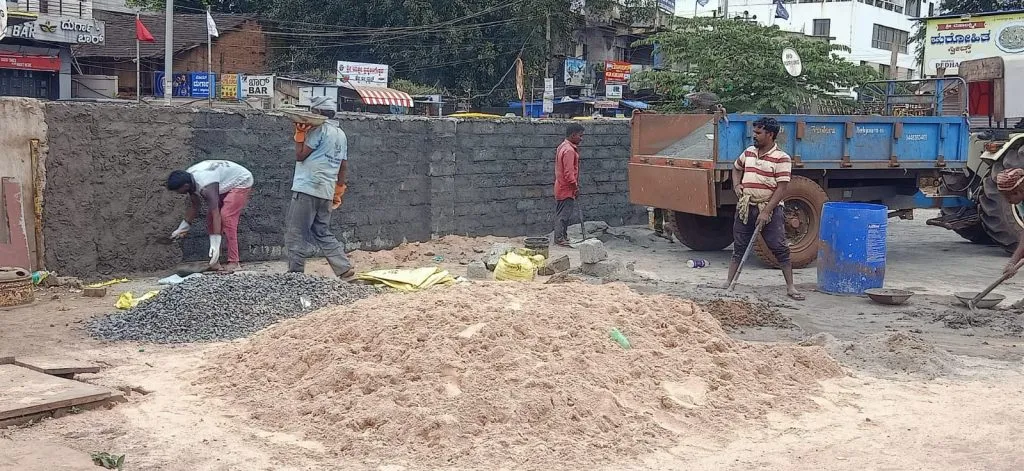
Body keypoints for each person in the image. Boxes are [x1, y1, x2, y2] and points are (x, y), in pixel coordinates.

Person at [725, 117, 803, 301]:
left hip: (770, 208)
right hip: (746, 206)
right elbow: (736, 168)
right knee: (739, 246)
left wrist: (766, 211)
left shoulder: (782, 158)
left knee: (779, 247)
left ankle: (791, 287)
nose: (754, 136)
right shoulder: (749, 152)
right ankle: (728, 283)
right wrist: (737, 186)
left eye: (758, 133)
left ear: (770, 135)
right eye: (754, 132)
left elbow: (782, 188)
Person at [285, 95, 354, 279]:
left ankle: (295, 273)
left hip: (307, 186)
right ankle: (344, 268)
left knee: (296, 232)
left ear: (319, 113)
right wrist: (339, 189)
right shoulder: (341, 134)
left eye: (313, 112)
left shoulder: (320, 130)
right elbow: (343, 164)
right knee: (321, 231)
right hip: (326, 189)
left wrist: (299, 135)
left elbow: (300, 156)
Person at [166, 160, 253, 271]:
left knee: (226, 216)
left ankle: (234, 262)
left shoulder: (206, 185)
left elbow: (216, 212)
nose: (178, 193)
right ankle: (214, 262)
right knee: (211, 218)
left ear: (185, 185)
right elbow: (195, 205)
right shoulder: (188, 179)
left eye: (178, 190)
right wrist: (182, 228)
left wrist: (215, 244)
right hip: (223, 181)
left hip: (241, 180)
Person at [553, 123, 584, 247]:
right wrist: (575, 187)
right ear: (573, 135)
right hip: (566, 188)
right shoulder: (569, 151)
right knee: (563, 215)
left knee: (562, 213)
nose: (581, 139)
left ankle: (563, 236)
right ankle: (560, 238)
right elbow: (569, 173)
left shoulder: (562, 146)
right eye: (580, 136)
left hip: (561, 186)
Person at [997, 167, 1024, 277]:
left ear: (1022, 189)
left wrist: (1012, 262)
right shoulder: (1020, 202)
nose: (1007, 200)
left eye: (1009, 195)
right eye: (1004, 196)